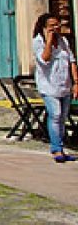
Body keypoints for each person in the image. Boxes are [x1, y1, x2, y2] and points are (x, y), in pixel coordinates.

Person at [32, 12, 78, 162]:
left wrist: (76, 82)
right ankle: (56, 148)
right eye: (51, 26)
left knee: (63, 117)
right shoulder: (38, 42)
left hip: (64, 85)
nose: (55, 28)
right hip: (48, 85)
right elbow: (44, 59)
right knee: (55, 115)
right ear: (44, 28)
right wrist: (49, 40)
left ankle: (61, 147)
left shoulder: (63, 41)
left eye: (56, 25)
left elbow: (71, 61)